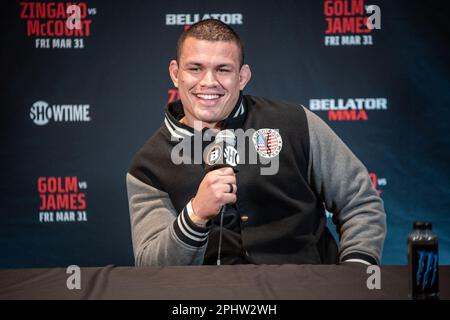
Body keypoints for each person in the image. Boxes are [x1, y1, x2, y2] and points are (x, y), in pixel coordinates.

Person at [126, 19, 386, 266]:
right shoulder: (148, 166)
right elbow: (152, 265)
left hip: (306, 287)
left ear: (242, 77)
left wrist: (355, 275)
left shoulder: (296, 123)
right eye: (195, 68)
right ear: (175, 73)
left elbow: (360, 202)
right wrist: (196, 214)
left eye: (223, 69)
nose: (208, 82)